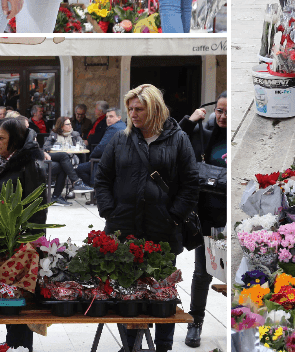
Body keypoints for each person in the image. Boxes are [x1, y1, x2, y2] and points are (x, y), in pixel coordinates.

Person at [95, 84, 200, 352]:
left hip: (163, 229)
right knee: (126, 290)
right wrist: (109, 210)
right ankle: (130, 345)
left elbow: (190, 184)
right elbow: (103, 177)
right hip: (124, 226)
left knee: (163, 292)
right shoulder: (121, 139)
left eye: (138, 108)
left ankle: (163, 346)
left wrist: (174, 217)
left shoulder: (178, 139)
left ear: (153, 108)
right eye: (130, 108)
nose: (132, 113)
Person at [0, 116, 49, 352]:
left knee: (21, 293)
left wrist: (31, 242)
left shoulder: (30, 164)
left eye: (1, 138)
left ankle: (22, 344)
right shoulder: (5, 161)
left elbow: (38, 206)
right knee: (8, 290)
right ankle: (13, 340)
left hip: (22, 241)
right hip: (4, 237)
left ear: (15, 140)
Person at [179, 94, 228, 348]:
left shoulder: (236, 138)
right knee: (204, 272)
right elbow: (173, 140)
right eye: (219, 111)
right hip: (209, 217)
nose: (222, 116)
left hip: (231, 215)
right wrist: (190, 120)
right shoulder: (204, 133)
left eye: (227, 112)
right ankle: (195, 322)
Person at [43, 115, 90, 204]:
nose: (70, 126)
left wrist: (73, 148)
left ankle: (56, 196)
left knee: (63, 164)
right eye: (67, 124)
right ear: (61, 126)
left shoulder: (74, 134)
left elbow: (82, 146)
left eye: (70, 124)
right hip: (55, 157)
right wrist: (57, 148)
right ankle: (76, 183)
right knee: (64, 157)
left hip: (70, 157)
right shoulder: (54, 134)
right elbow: (45, 147)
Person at [75, 107, 124, 186]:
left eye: (111, 116)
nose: (108, 119)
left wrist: (91, 157)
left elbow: (101, 147)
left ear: (119, 117)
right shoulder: (122, 125)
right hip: (115, 162)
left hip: (108, 163)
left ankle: (94, 189)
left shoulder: (114, 128)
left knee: (79, 168)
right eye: (107, 117)